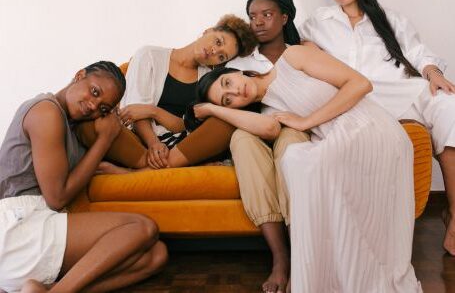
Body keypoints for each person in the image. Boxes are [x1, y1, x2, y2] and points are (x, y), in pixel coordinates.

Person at [190, 44, 422, 292]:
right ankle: (307, 266)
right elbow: (269, 129)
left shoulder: (293, 57)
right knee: (301, 163)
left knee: (303, 162)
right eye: (228, 100)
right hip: (337, 138)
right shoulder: (269, 110)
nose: (236, 91)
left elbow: (360, 84)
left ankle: (310, 267)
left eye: (227, 83)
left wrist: (306, 121)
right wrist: (214, 109)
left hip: (367, 127)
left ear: (237, 71)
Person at [298, 0, 455, 255]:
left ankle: (453, 212)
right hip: (355, 97)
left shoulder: (390, 19)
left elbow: (418, 53)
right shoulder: (316, 23)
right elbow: (297, 52)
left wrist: (433, 73)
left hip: (398, 92)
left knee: (449, 105)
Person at [0, 61, 168, 293]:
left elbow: (84, 175)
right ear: (79, 75)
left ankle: (48, 289)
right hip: (17, 227)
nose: (92, 106)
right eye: (94, 92)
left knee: (156, 256)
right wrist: (104, 139)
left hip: (36, 227)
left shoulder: (71, 125)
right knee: (142, 227)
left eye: (103, 109)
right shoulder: (46, 111)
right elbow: (57, 198)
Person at [76, 15, 257, 173]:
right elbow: (133, 112)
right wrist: (154, 143)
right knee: (91, 125)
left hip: (177, 146)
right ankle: (156, 165)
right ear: (208, 31)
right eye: (218, 42)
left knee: (223, 123)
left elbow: (187, 126)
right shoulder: (149, 55)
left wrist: (153, 111)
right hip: (137, 140)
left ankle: (136, 171)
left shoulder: (209, 81)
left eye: (222, 57)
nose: (215, 51)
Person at [225, 0, 308, 292]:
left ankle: (301, 254)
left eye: (267, 14)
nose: (258, 22)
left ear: (285, 17)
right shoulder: (241, 59)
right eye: (252, 16)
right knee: (241, 141)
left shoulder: (301, 51)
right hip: (255, 125)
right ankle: (280, 258)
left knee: (290, 148)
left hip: (294, 123)